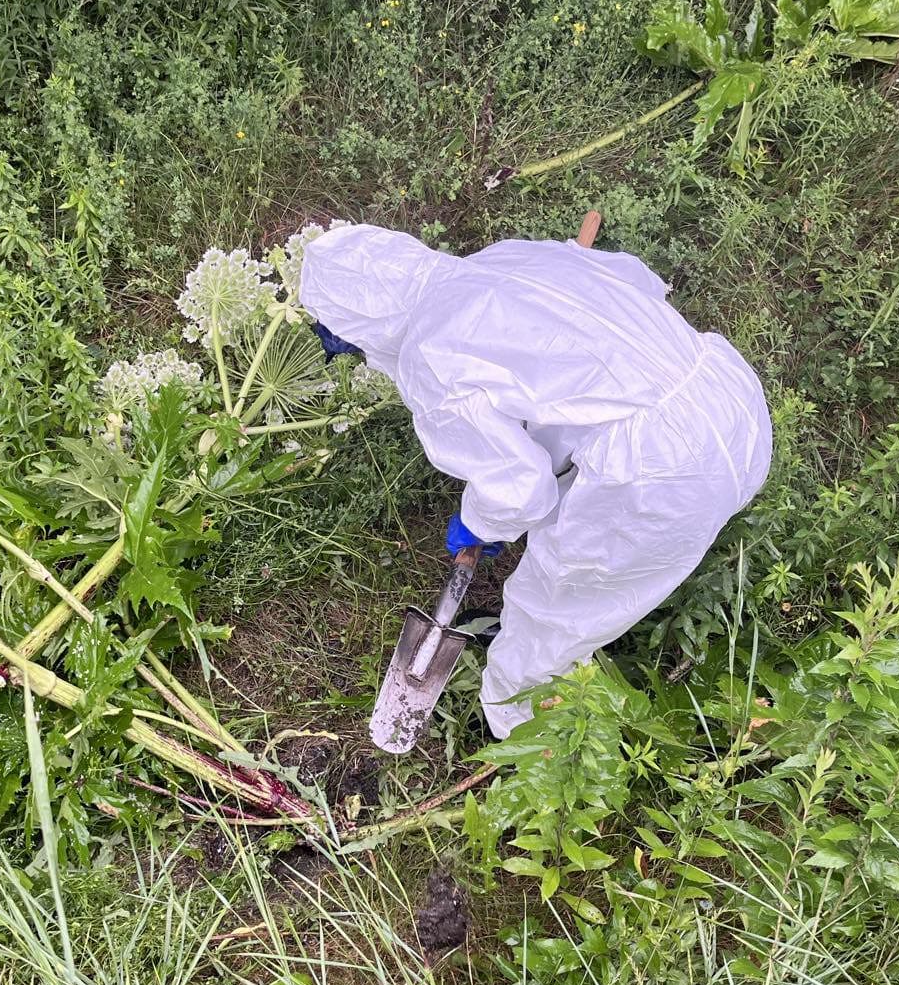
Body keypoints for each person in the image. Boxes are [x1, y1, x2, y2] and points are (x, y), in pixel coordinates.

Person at [299, 218, 772, 738]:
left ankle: (519, 731)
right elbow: (636, 281)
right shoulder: (503, 257)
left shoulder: (429, 358)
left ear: (360, 326)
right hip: (732, 403)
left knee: (554, 607)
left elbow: (517, 490)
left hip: (667, 472)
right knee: (580, 479)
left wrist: (480, 522)